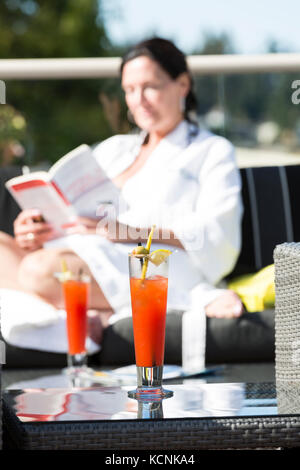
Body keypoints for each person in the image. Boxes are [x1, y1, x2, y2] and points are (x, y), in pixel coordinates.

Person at [0, 37, 243, 362]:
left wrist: (124, 231)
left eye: (149, 87)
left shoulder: (211, 151)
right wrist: (38, 227)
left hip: (154, 262)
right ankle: (79, 313)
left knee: (38, 270)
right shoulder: (114, 149)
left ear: (182, 84)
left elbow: (218, 236)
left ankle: (70, 314)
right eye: (129, 90)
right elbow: (74, 214)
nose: (138, 100)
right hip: (86, 252)